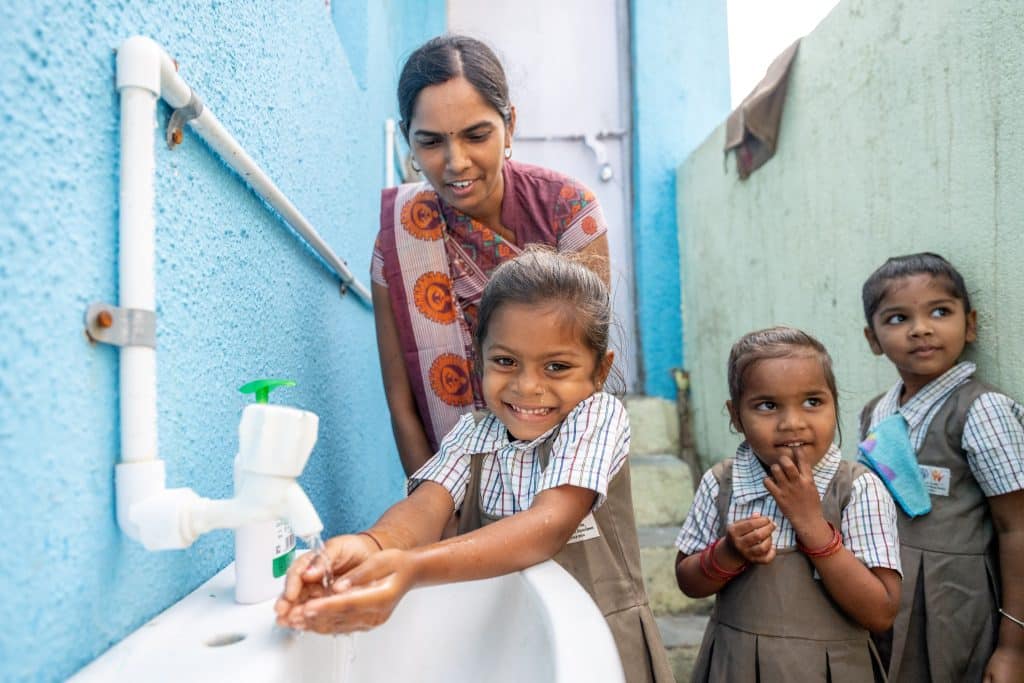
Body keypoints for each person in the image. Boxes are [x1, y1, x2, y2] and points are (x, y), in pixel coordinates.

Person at [277, 248, 673, 682]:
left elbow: (549, 523)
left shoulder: (598, 417)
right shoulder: (473, 435)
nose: (527, 387)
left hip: (597, 642)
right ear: (479, 359)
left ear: (600, 372)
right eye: (506, 362)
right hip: (503, 642)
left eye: (557, 367)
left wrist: (413, 567)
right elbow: (425, 508)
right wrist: (372, 545)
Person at [372, 35, 611, 476]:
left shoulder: (567, 213)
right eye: (429, 142)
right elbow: (402, 403)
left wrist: (562, 496)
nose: (455, 161)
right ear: (408, 139)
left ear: (509, 126)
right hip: (456, 479)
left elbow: (587, 371)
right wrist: (438, 506)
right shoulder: (400, 240)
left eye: (476, 135)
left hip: (566, 472)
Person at [675, 327, 902, 682]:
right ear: (735, 416)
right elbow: (688, 581)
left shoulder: (858, 490)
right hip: (736, 666)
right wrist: (728, 553)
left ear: (834, 403)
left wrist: (813, 527)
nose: (792, 423)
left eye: (813, 401)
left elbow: (881, 611)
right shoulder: (721, 485)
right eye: (767, 405)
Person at [858, 253, 1024, 682]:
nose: (921, 329)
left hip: (955, 605)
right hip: (879, 598)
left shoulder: (981, 410)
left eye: (939, 312)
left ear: (970, 325)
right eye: (897, 318)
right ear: (873, 339)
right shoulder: (875, 413)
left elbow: (1017, 527)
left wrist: (1012, 647)